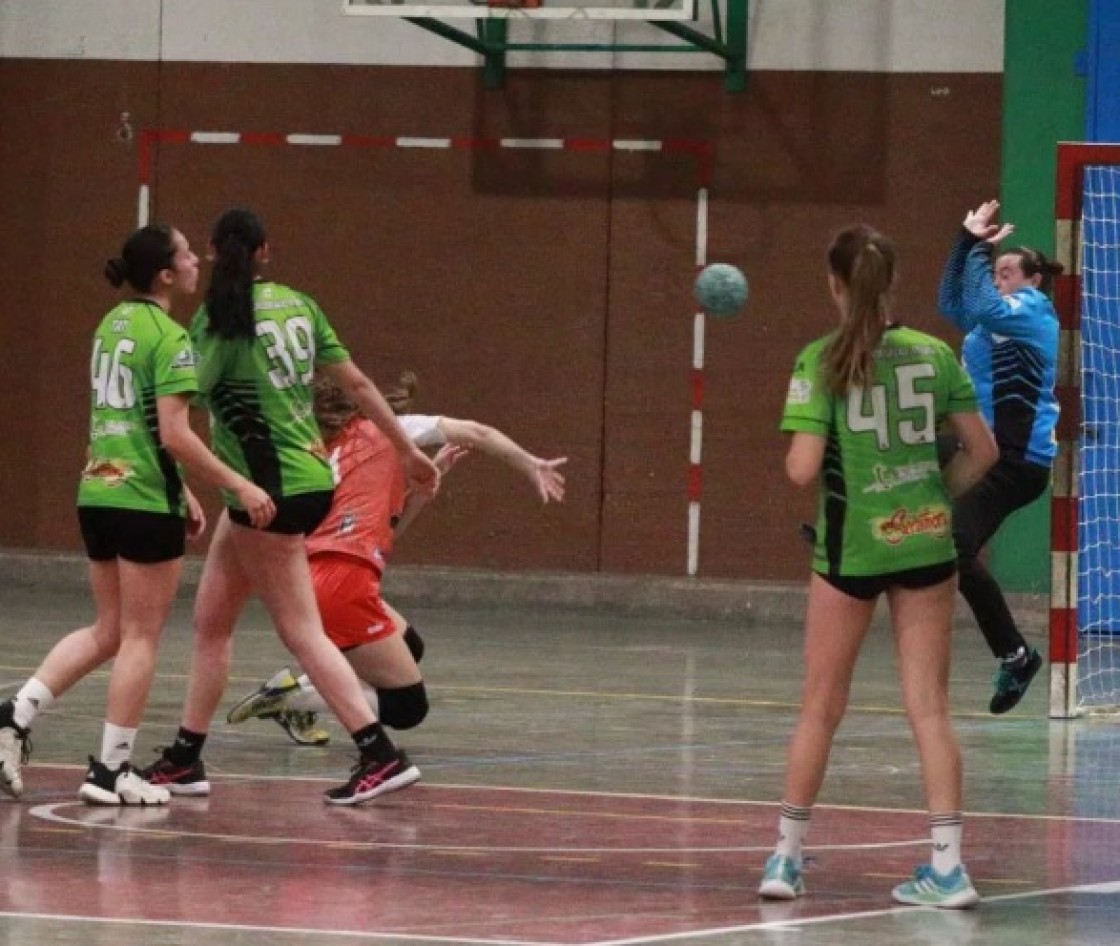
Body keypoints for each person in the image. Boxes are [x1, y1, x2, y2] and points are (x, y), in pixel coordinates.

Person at [139, 208, 440, 806]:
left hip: (266, 493)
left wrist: (179, 484)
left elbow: (176, 420)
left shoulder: (217, 323)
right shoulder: (299, 306)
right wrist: (406, 449)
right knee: (210, 623)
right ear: (266, 252)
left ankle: (379, 753)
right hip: (291, 480)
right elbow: (357, 385)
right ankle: (185, 756)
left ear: (213, 251)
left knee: (302, 632)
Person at [758, 225, 997, 908]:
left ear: (834, 284)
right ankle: (949, 869)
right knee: (930, 709)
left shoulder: (820, 361)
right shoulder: (934, 355)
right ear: (891, 283)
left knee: (821, 706)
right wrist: (927, 492)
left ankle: (785, 859)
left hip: (850, 547)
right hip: (925, 543)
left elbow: (802, 468)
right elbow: (982, 453)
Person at [0, 224, 275, 806]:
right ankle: (109, 771)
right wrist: (238, 484)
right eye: (184, 255)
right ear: (166, 275)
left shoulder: (111, 325)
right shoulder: (171, 337)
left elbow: (134, 424)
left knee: (107, 629)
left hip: (97, 491)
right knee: (140, 638)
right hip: (141, 501)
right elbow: (175, 435)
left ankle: (13, 714)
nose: (197, 262)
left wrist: (184, 494)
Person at [225, 371, 567, 746]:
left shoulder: (319, 457)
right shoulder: (392, 430)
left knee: (410, 645)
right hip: (341, 582)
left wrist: (420, 495)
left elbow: (382, 536)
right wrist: (529, 463)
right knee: (407, 708)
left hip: (314, 577)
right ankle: (300, 696)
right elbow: (478, 432)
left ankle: (301, 694)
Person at [937, 199, 1061, 713]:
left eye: (1009, 270)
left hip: (1015, 463)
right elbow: (953, 303)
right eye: (998, 269)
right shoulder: (994, 322)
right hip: (978, 451)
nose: (1000, 276)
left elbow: (984, 304)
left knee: (955, 551)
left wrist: (981, 253)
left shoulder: (1031, 312)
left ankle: (1016, 657)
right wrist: (966, 243)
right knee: (901, 449)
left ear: (1032, 280)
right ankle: (849, 527)